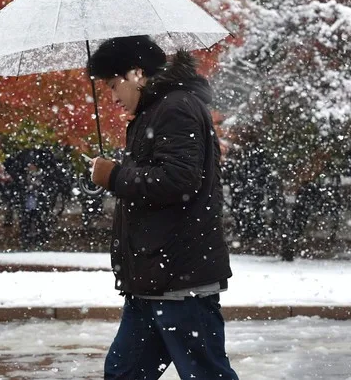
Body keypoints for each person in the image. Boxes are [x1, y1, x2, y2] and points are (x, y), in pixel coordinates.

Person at [86, 35, 238, 380]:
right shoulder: (156, 111)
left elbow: (177, 181)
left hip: (179, 279)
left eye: (113, 85)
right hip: (153, 278)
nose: (111, 97)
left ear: (137, 74)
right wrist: (116, 174)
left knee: (205, 374)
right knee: (123, 373)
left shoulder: (176, 108)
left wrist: (115, 176)